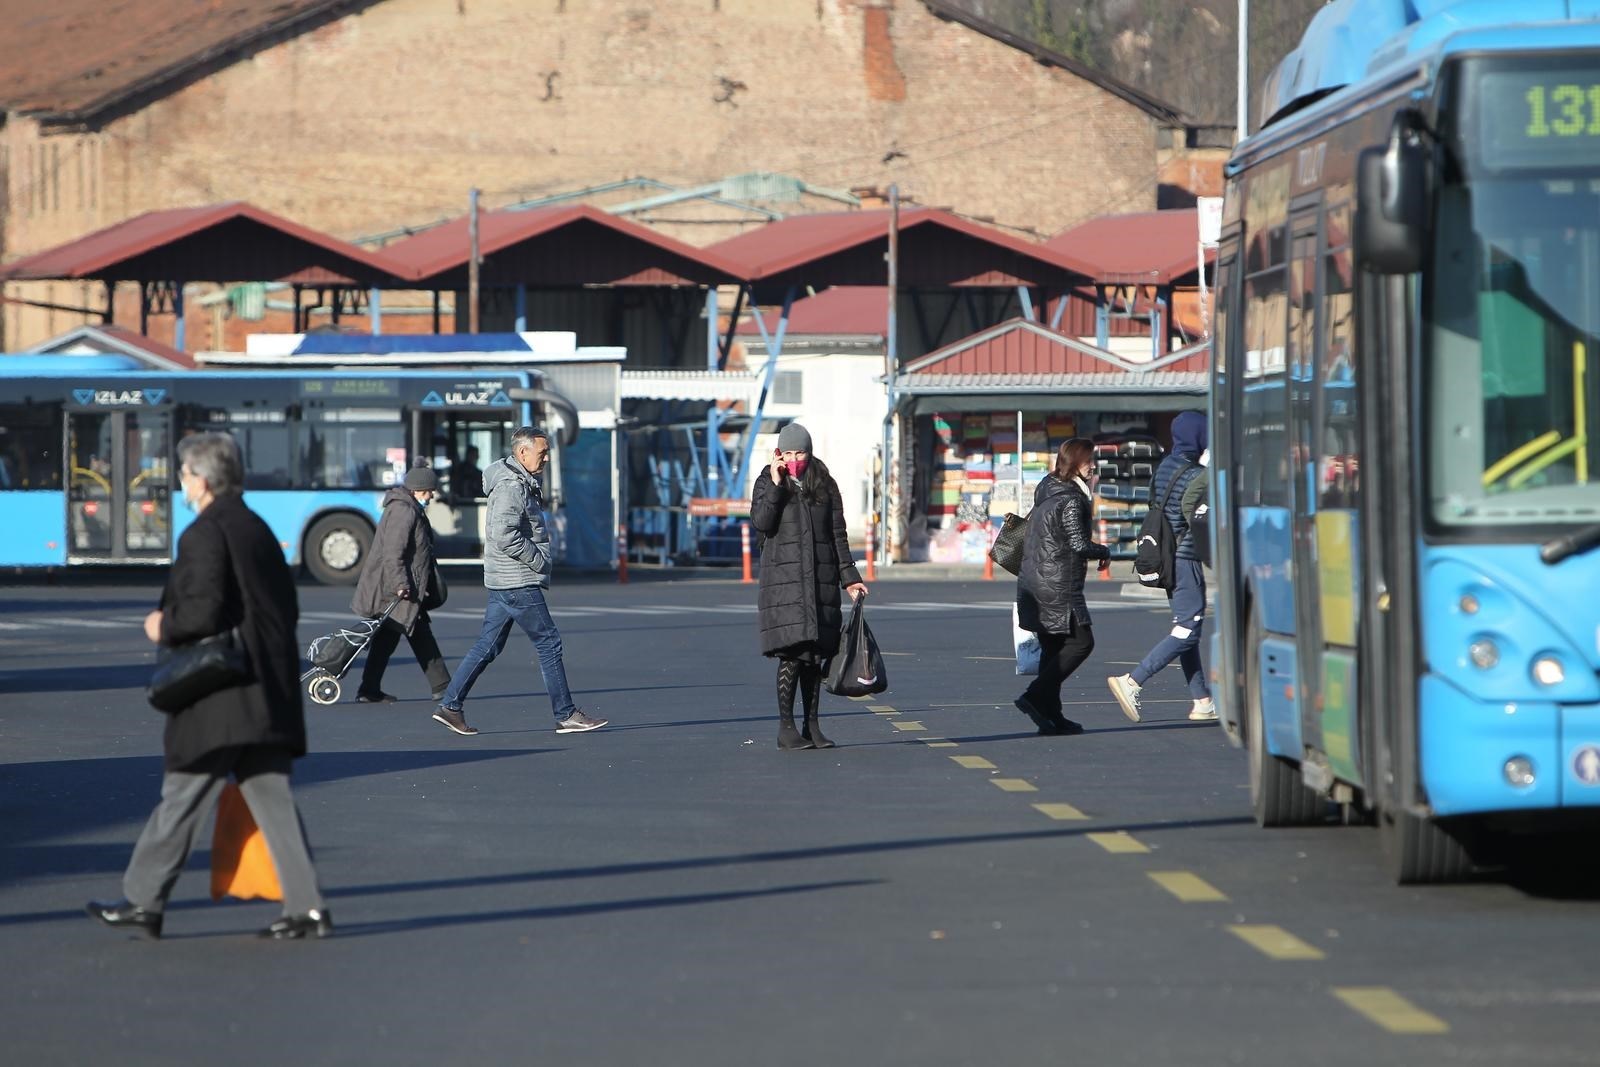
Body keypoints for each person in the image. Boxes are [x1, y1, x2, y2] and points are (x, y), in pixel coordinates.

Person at [86, 432, 329, 940]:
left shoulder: (204, 532)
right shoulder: (256, 527)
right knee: (271, 797)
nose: (181, 484)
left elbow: (199, 610)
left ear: (199, 478)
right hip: (266, 685)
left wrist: (162, 625)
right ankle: (307, 908)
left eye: (183, 475)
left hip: (223, 691)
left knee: (183, 791)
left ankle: (142, 900)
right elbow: (284, 607)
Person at [432, 426, 607, 737]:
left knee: (488, 645)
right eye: (542, 452)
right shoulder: (512, 487)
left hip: (504, 580)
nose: (547, 458)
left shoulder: (515, 480)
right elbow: (503, 535)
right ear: (522, 453)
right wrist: (537, 560)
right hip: (517, 580)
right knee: (549, 642)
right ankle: (566, 714)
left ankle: (450, 706)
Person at [750, 422, 868, 750]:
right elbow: (761, 522)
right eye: (787, 453)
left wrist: (850, 578)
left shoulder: (824, 484)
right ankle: (786, 728)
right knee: (792, 654)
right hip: (784, 584)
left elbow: (837, 535)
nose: (794, 458)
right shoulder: (767, 480)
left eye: (799, 452)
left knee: (815, 658)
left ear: (809, 451)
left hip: (820, 582)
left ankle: (812, 725)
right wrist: (776, 484)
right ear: (778, 454)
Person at [1108, 411, 1216, 723]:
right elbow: (1196, 515)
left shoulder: (1164, 467)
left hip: (1165, 558)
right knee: (1188, 629)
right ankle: (1133, 682)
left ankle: (1202, 700)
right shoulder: (1196, 474)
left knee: (1185, 626)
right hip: (1184, 559)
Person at [1014, 438, 1112, 735]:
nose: (1092, 465)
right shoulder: (1072, 498)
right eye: (1088, 460)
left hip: (1033, 580)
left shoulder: (1047, 488)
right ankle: (1035, 696)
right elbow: (1079, 544)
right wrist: (1104, 551)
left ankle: (1050, 717)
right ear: (1075, 462)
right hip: (1057, 584)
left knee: (1052, 648)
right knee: (1082, 643)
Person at [350, 461, 451, 703]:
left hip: (401, 588)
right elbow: (393, 553)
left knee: (387, 640)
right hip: (397, 590)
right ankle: (445, 687)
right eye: (429, 491)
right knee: (420, 635)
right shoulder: (404, 511)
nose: (432, 495)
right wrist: (400, 584)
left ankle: (369, 689)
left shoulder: (408, 507)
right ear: (417, 489)